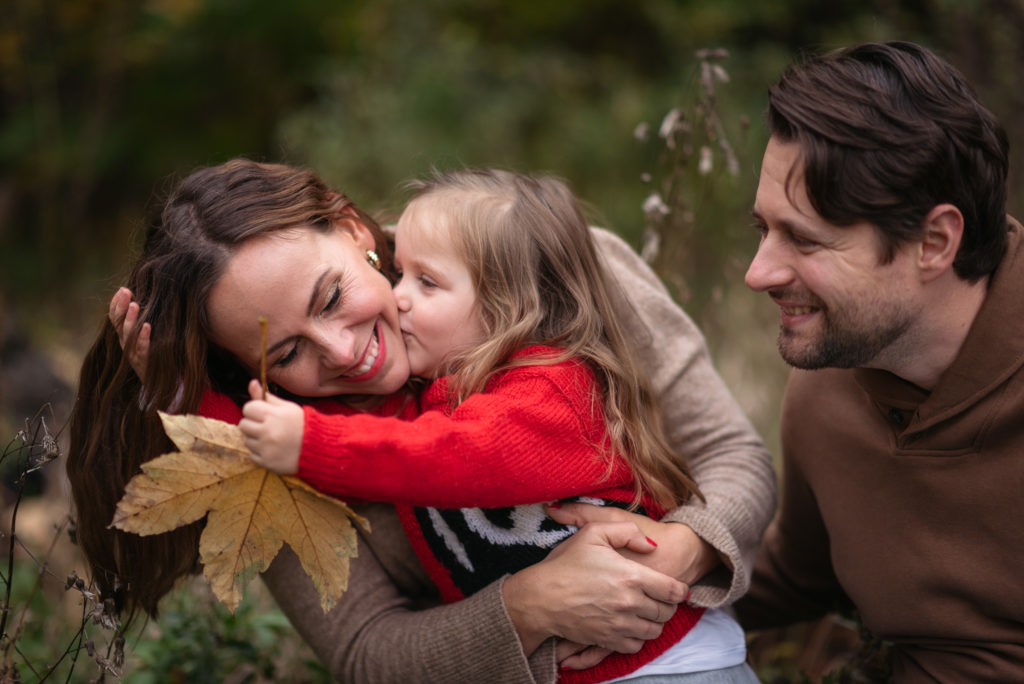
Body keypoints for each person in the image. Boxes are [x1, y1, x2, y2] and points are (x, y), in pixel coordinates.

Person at [70, 159, 775, 683]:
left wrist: (680, 556)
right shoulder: (286, 441)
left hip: (675, 659)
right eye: (288, 352)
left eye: (330, 296)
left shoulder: (542, 274)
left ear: (352, 231)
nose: (343, 353)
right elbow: (366, 650)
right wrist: (528, 607)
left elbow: (731, 455)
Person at [733, 41, 1024, 682]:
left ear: (934, 242)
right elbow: (797, 576)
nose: (759, 273)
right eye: (764, 229)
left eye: (804, 239)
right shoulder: (829, 386)